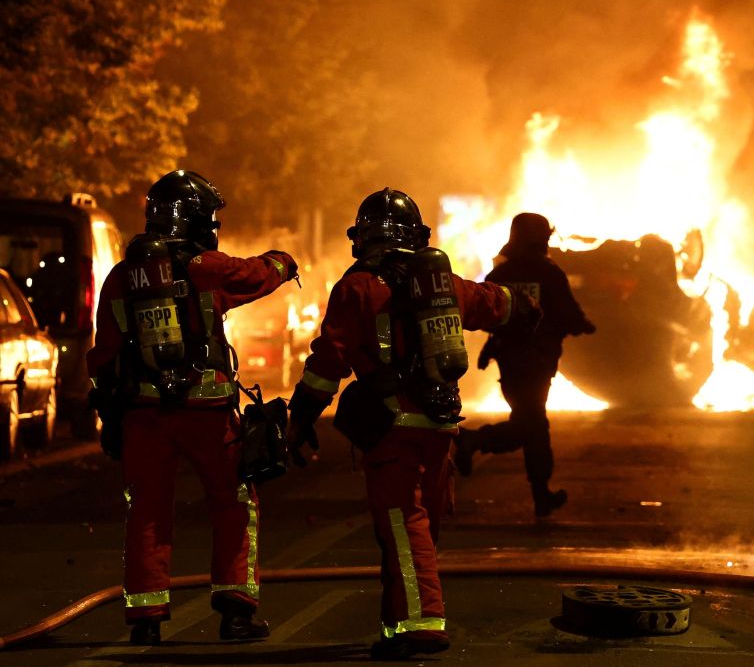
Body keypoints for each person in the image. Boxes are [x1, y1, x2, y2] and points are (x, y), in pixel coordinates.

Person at [284, 188, 535, 661]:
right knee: (422, 525)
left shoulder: (356, 287)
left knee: (403, 524)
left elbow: (329, 362)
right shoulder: (444, 285)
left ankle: (419, 624)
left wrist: (301, 415)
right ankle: (399, 621)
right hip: (441, 424)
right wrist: (525, 307)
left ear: (362, 238)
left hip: (393, 426)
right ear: (416, 235)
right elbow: (493, 302)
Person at [86, 170, 298, 645]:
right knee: (234, 504)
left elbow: (103, 355)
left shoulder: (122, 278)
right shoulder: (207, 267)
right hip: (209, 413)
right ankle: (236, 612)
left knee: (147, 511)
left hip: (143, 415)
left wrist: (109, 416)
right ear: (200, 219)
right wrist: (284, 261)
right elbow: (258, 275)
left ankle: (145, 620)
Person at [454, 212, 596, 518]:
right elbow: (567, 313)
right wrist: (584, 325)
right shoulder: (550, 274)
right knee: (531, 425)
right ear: (540, 239)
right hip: (538, 361)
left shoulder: (500, 276)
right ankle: (475, 440)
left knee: (532, 422)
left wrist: (493, 345)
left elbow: (483, 314)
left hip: (509, 361)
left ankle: (541, 494)